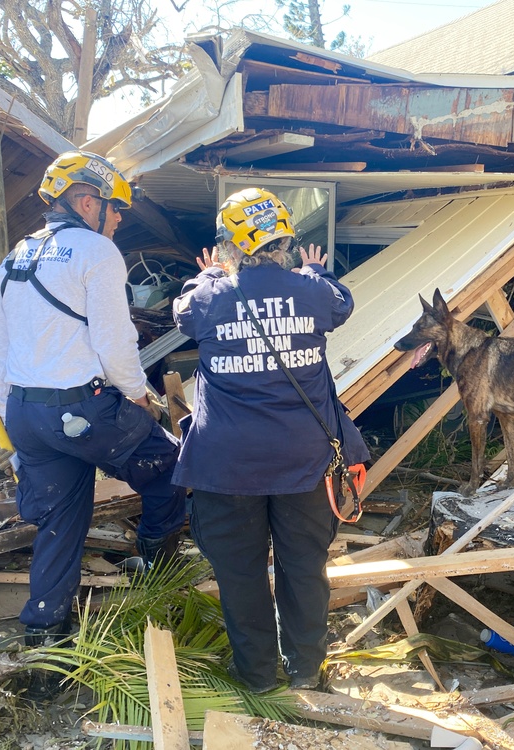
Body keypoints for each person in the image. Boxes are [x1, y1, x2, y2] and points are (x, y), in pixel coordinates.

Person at [0, 151, 187, 657]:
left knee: (60, 517)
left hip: (27, 413)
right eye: (114, 207)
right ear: (84, 200)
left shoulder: (11, 260)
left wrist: (10, 429)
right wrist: (142, 397)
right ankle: (157, 573)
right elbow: (115, 342)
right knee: (172, 468)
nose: (119, 217)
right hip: (83, 410)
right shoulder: (96, 252)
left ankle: (45, 635)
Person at [172, 187, 369, 693]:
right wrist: (315, 271)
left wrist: (212, 272)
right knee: (304, 566)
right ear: (285, 239)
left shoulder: (209, 296)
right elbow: (342, 304)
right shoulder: (313, 291)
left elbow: (183, 314)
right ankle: (305, 669)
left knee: (241, 574)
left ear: (230, 245)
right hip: (303, 463)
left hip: (226, 467)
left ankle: (258, 677)